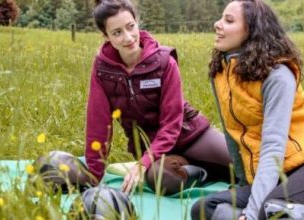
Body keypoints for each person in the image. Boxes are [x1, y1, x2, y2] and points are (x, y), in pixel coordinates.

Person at [191, 0, 304, 219]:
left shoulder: (277, 74)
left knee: (270, 211)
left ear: (251, 31)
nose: (217, 25)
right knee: (203, 209)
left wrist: (251, 213)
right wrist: (243, 185)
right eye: (221, 18)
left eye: (228, 21)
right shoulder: (221, 73)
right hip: (275, 180)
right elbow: (232, 136)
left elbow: (273, 147)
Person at [85, 0, 231, 196]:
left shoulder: (164, 61)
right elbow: (98, 125)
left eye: (130, 27)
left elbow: (172, 123)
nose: (128, 37)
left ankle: (206, 167)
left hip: (189, 135)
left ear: (137, 22)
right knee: (164, 179)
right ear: (105, 36)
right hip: (153, 150)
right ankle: (202, 171)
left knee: (246, 163)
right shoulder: (103, 70)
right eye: (117, 32)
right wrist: (93, 179)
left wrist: (141, 165)